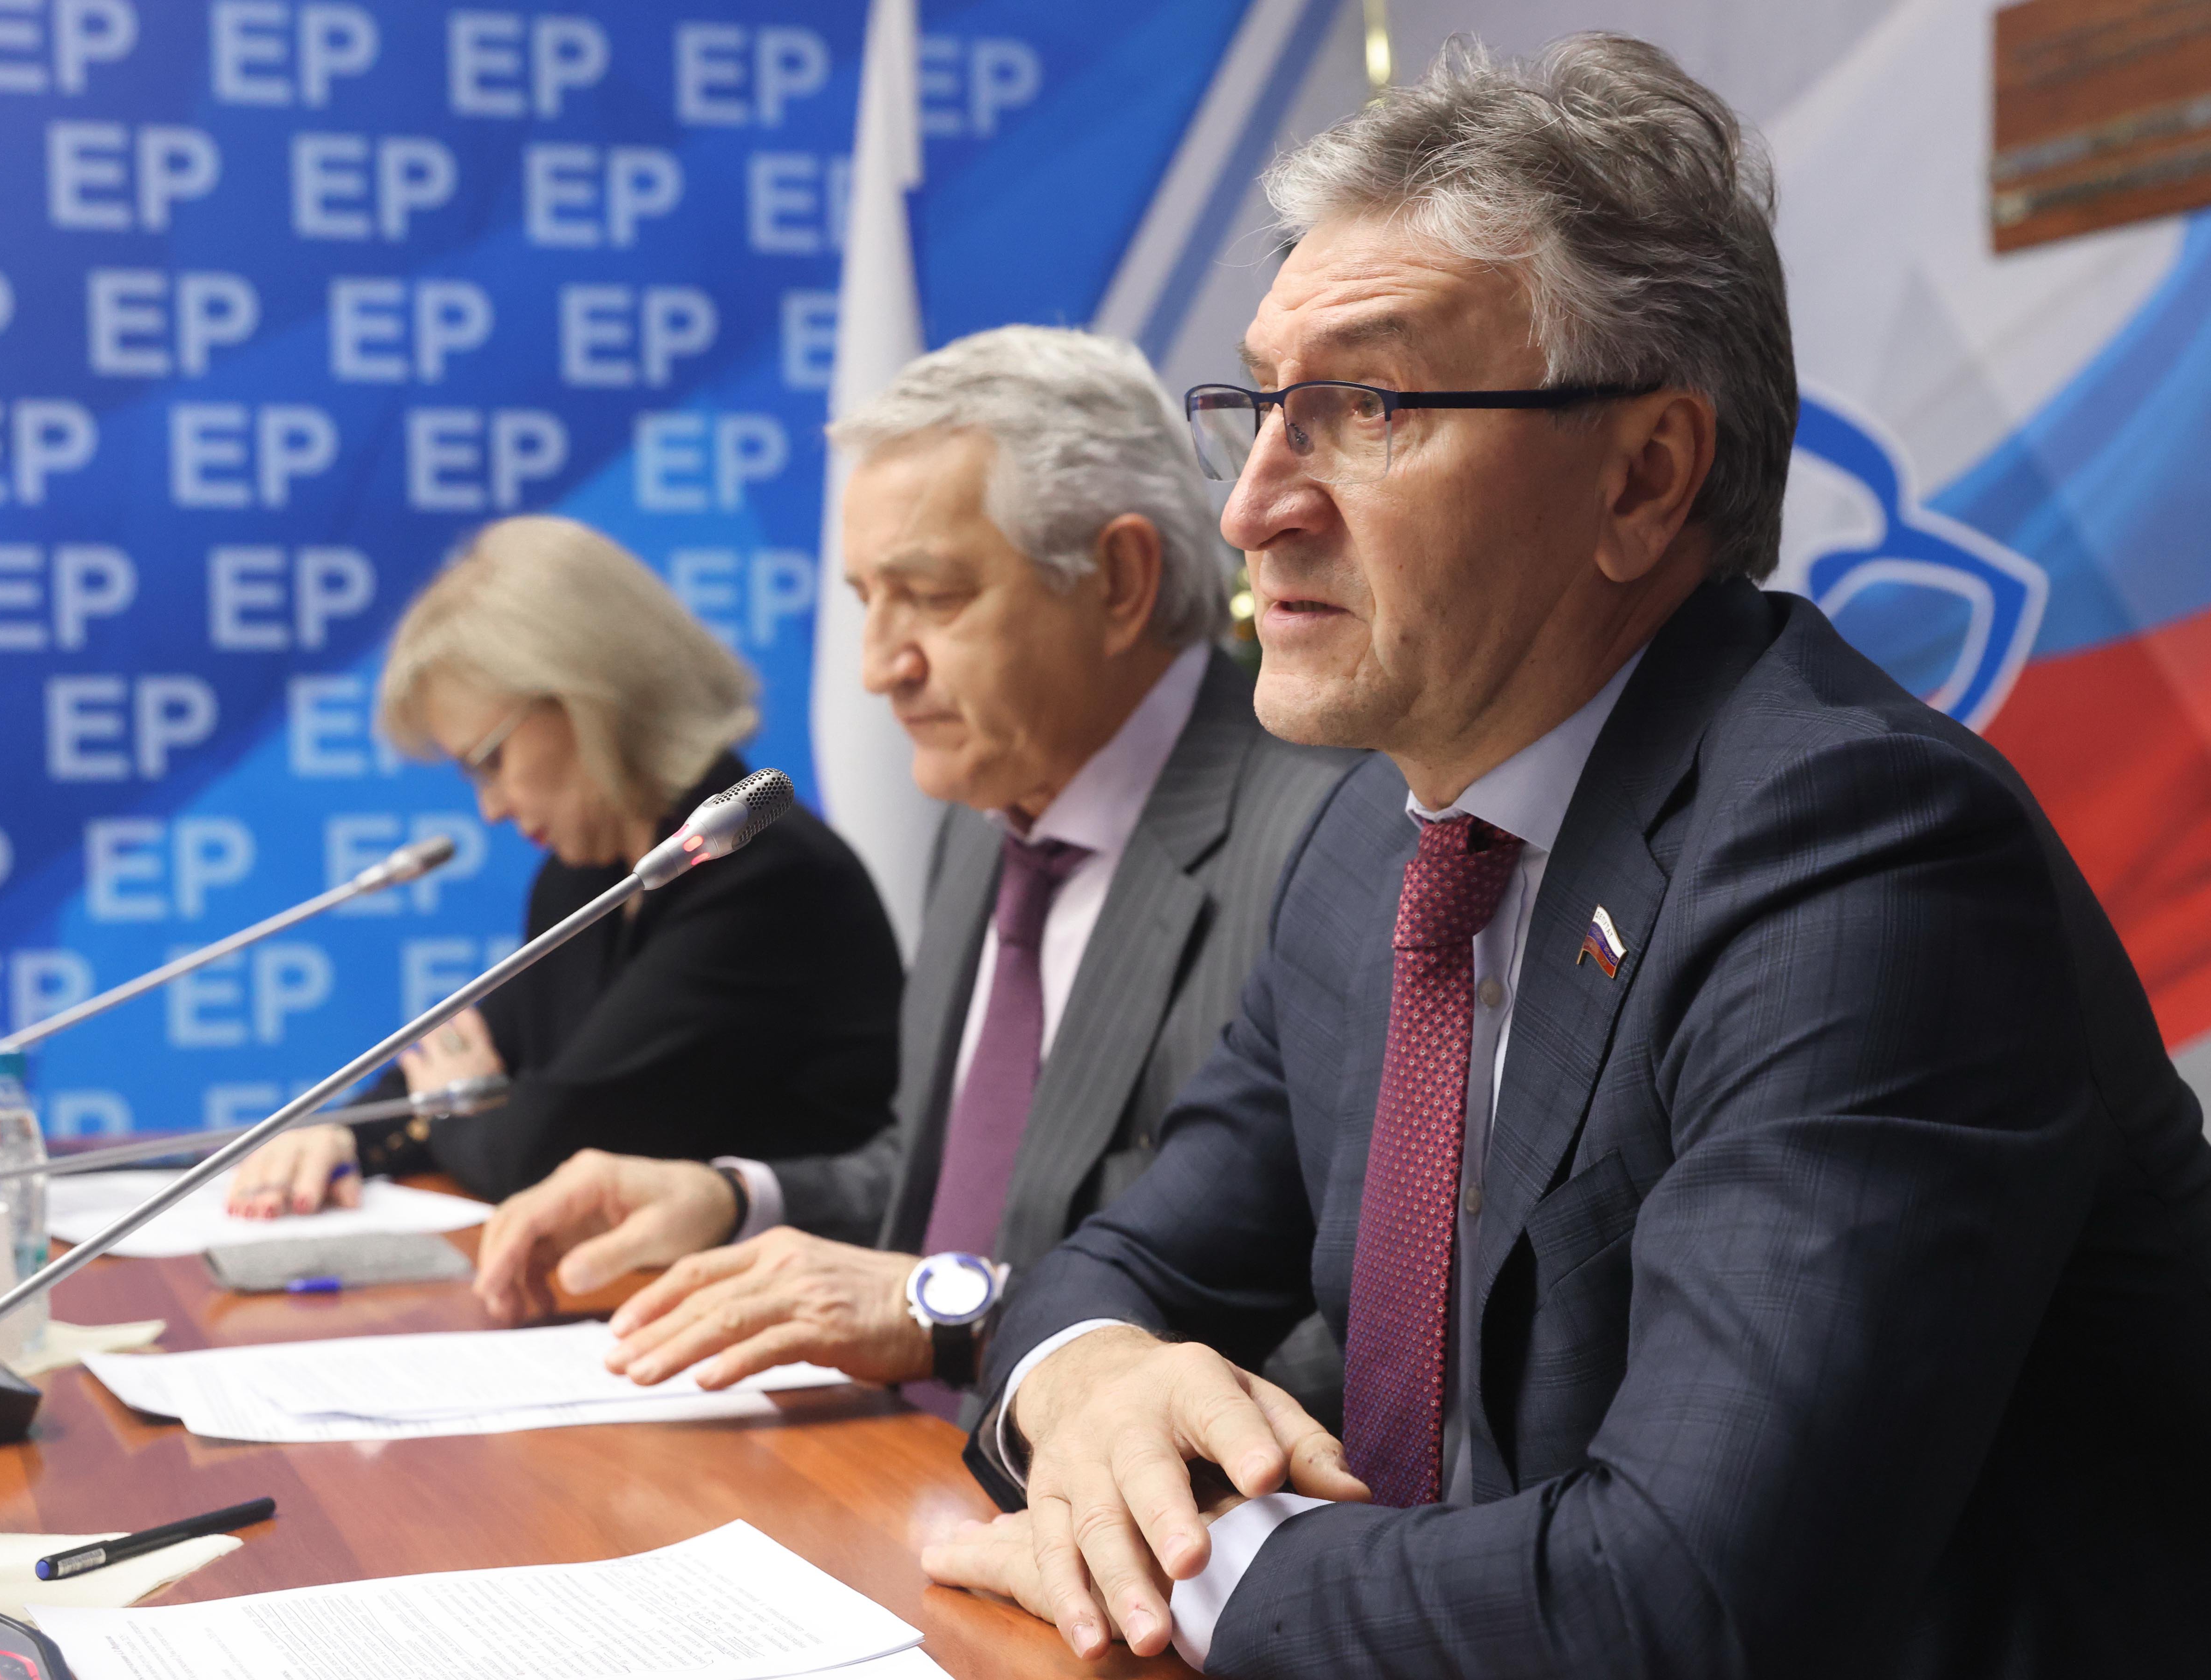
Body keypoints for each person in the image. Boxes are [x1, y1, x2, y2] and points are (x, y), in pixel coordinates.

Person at [919, 36, 2211, 1677]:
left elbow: (1685, 1602)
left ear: (1643, 477)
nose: (1250, 507)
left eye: (1365, 407)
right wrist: (1091, 1375)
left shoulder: (1859, 852)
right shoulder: (1377, 840)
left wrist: (1190, 1560)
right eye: (1257, 405)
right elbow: (1124, 1259)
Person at [468, 327, 1354, 1429]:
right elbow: (952, 1197)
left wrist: (956, 1319)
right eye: (866, 600)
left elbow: (1363, 1338)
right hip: (902, 1464)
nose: (879, 666)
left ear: (1120, 582)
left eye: (929, 597)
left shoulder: (1328, 847)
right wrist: (735, 1197)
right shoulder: (987, 824)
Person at [226, 515, 902, 1211]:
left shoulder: (767, 879)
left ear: (585, 697)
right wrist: (342, 1135)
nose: (490, 809)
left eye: (491, 762)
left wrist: (453, 1105)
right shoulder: (585, 875)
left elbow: (542, 1154)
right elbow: (472, 1050)